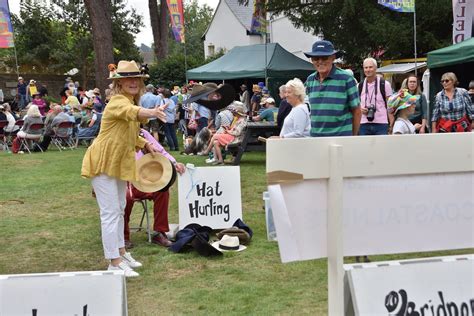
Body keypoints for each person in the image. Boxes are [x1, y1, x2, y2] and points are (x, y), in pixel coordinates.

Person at [81, 60, 168, 278]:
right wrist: (153, 112)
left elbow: (129, 133)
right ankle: (114, 262)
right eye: (127, 79)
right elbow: (133, 113)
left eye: (135, 79)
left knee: (119, 209)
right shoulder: (117, 102)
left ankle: (121, 252)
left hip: (117, 163)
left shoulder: (127, 101)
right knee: (110, 213)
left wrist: (145, 144)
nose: (132, 82)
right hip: (103, 162)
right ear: (118, 84)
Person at [124, 129, 185, 248]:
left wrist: (174, 162)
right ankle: (123, 237)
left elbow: (160, 151)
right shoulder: (118, 133)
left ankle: (159, 232)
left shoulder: (142, 133)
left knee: (162, 190)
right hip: (127, 179)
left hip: (147, 179)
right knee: (126, 197)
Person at [304, 40, 361, 137]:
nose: (320, 61)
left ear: (333, 58)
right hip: (316, 137)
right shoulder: (310, 80)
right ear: (312, 60)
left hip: (341, 137)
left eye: (324, 57)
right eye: (316, 58)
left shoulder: (346, 79)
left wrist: (353, 137)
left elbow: (357, 111)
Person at [359, 58, 393, 135]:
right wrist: (360, 109)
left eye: (370, 67)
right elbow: (355, 105)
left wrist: (391, 124)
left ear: (375, 68)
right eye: (366, 67)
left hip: (381, 123)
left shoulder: (385, 84)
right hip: (363, 123)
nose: (368, 70)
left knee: (381, 146)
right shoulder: (359, 86)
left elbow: (390, 106)